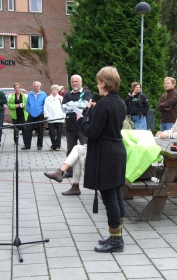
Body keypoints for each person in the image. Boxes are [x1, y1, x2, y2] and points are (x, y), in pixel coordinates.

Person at [78, 66, 126, 253]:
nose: (97, 85)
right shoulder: (120, 102)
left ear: (104, 83)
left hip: (106, 154)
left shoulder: (104, 104)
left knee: (109, 197)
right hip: (117, 150)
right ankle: (117, 235)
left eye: (98, 81)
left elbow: (93, 132)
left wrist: (81, 119)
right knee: (116, 194)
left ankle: (115, 241)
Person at [43, 115, 133, 196]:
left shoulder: (119, 123)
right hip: (106, 151)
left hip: (108, 155)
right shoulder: (114, 119)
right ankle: (71, 183)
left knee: (77, 150)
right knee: (77, 151)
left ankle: (64, 175)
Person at [61, 74, 92, 180]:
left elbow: (85, 105)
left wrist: (71, 105)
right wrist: (77, 105)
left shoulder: (86, 93)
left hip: (83, 126)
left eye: (77, 81)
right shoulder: (67, 94)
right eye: (73, 81)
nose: (75, 83)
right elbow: (63, 108)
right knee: (70, 150)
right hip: (70, 126)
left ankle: (88, 171)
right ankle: (69, 171)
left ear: (81, 82)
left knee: (86, 149)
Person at [21, 81, 47, 150]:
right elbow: (27, 103)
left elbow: (45, 104)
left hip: (40, 114)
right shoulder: (30, 93)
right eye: (35, 86)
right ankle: (27, 145)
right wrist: (28, 110)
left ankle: (39, 145)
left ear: (39, 87)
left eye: (37, 86)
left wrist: (43, 111)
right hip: (31, 114)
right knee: (28, 130)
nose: (36, 88)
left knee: (40, 130)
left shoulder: (43, 94)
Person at [44, 85, 66, 151]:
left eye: (56, 90)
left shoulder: (61, 98)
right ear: (51, 90)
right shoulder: (48, 99)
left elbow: (64, 107)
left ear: (58, 91)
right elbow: (45, 108)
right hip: (51, 118)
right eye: (53, 90)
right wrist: (47, 115)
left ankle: (58, 145)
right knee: (51, 132)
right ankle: (53, 145)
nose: (54, 91)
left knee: (59, 132)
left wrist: (63, 115)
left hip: (59, 118)